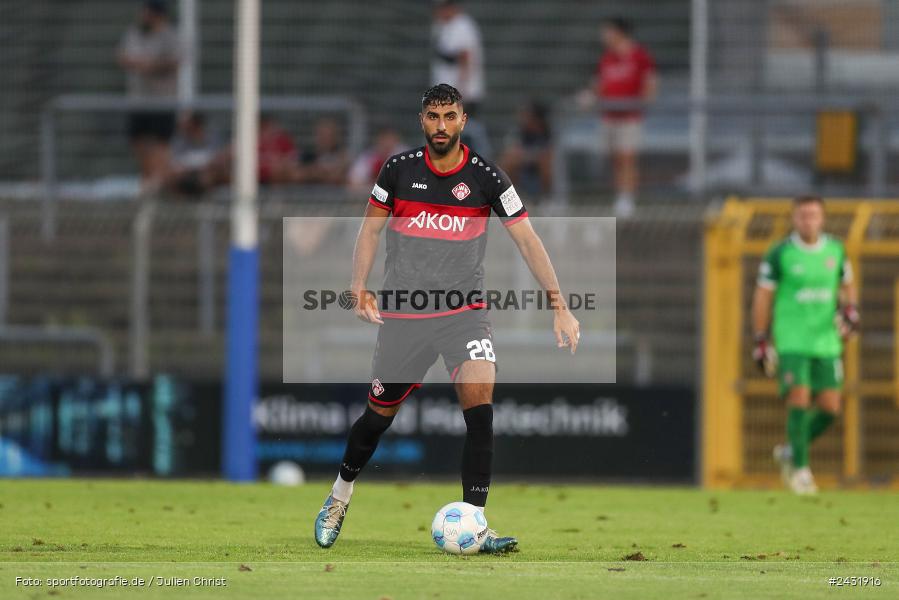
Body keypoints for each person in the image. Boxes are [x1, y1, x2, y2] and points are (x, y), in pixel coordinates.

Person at [314, 84, 580, 552]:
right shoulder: (398, 170)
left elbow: (527, 239)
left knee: (480, 409)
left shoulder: (486, 176)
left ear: (462, 120)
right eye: (433, 117)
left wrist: (560, 304)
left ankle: (476, 522)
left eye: (450, 116)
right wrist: (358, 287)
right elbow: (370, 231)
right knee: (377, 418)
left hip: (464, 314)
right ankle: (339, 495)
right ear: (422, 120)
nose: (441, 126)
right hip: (406, 314)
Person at [751, 196, 859, 495]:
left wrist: (851, 310)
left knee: (830, 407)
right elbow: (763, 295)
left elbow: (847, 283)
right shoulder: (780, 253)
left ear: (822, 219)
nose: (808, 221)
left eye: (813, 215)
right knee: (798, 397)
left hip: (826, 340)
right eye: (802, 216)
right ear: (794, 219)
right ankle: (801, 470)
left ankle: (789, 451)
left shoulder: (835, 250)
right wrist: (761, 338)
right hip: (792, 339)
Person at [580, 17, 657, 218]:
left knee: (628, 156)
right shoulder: (607, 58)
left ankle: (628, 197)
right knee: (616, 158)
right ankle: (620, 195)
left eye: (608, 32)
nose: (604, 36)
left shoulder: (639, 55)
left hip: (630, 115)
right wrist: (590, 96)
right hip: (610, 115)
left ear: (620, 33)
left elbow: (650, 81)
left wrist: (644, 102)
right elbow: (600, 83)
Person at [117, 0, 183, 194]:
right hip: (138, 100)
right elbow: (122, 56)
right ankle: (148, 182)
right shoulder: (134, 33)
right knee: (139, 143)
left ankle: (162, 183)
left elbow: (176, 60)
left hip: (162, 101)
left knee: (160, 145)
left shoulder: (170, 36)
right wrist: (137, 63)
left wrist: (151, 65)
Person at [431, 0, 490, 156]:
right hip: (449, 96)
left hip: (460, 94)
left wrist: (460, 90)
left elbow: (465, 57)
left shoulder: (462, 25)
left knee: (465, 136)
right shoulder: (445, 26)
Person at [499, 101, 553, 200]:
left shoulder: (548, 133)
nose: (523, 118)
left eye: (527, 115)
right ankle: (509, 198)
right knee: (509, 161)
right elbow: (513, 150)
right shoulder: (519, 132)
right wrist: (528, 156)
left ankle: (546, 199)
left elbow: (548, 154)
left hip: (542, 169)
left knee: (545, 162)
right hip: (523, 166)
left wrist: (531, 156)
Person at [166, 112, 226, 196]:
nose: (184, 130)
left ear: (196, 126)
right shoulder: (179, 140)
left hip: (207, 174)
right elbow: (174, 162)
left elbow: (217, 159)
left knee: (208, 177)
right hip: (185, 175)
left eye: (188, 127)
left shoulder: (212, 138)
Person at [347, 127, 406, 194]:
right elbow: (354, 182)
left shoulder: (405, 156)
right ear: (378, 140)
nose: (387, 143)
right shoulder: (369, 156)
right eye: (384, 139)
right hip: (369, 197)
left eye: (390, 139)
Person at [294, 118, 349, 185]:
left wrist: (313, 172)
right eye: (322, 134)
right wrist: (321, 172)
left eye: (329, 135)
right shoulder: (307, 156)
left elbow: (337, 177)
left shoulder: (342, 156)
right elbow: (297, 175)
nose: (325, 138)